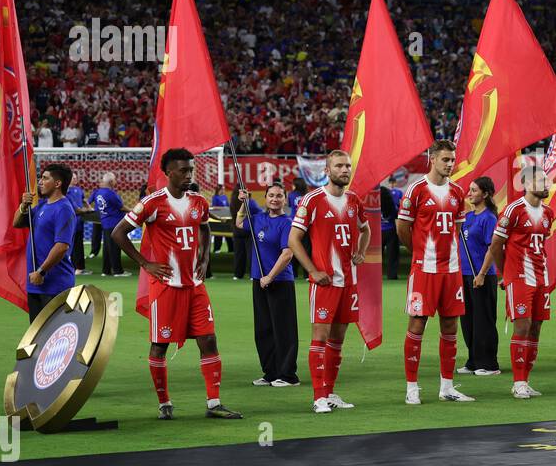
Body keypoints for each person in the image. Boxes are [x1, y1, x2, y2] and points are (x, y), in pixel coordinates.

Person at [112, 148, 244, 420]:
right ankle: (164, 403)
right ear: (168, 172)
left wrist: (205, 257)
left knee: (208, 340)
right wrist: (145, 263)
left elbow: (205, 227)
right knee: (160, 345)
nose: (188, 175)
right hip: (166, 286)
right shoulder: (152, 203)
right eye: (183, 170)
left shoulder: (198, 201)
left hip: (195, 286)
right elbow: (118, 233)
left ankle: (214, 403)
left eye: (191, 170)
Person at [287, 150, 371, 413]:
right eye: (339, 166)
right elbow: (293, 240)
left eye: (347, 166)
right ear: (327, 170)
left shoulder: (355, 200)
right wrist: (312, 271)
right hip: (324, 284)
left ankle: (331, 393)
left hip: (349, 282)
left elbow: (365, 229)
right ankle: (318, 397)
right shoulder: (312, 200)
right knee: (319, 338)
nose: (344, 170)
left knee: (338, 340)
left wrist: (360, 252)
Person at [396, 140, 473, 404]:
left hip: (451, 270)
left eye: (452, 160)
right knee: (417, 325)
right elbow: (401, 228)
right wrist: (419, 251)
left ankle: (447, 387)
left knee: (450, 325)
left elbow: (457, 229)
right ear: (432, 159)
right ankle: (411, 388)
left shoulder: (457, 192)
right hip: (424, 270)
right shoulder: (416, 190)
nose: (450, 164)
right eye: (445, 160)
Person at [475, 164, 554, 398]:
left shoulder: (548, 213)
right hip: (520, 276)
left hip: (542, 276)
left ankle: (526, 379)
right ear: (528, 184)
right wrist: (505, 273)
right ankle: (518, 382)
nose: (547, 185)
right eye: (542, 181)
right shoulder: (513, 210)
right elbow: (496, 245)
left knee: (537, 327)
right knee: (523, 325)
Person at [237, 183, 299, 389]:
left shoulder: (287, 223)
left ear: (285, 199)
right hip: (259, 281)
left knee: (284, 329)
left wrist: (270, 277)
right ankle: (271, 372)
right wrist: (242, 204)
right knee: (263, 329)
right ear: (265, 198)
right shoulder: (258, 219)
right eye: (271, 195)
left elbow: (288, 254)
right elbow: (239, 223)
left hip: (279, 282)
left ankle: (288, 375)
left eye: (279, 196)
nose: (274, 199)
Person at [11, 163, 78, 321]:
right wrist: (23, 206)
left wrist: (41, 271)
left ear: (57, 184)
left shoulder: (64, 209)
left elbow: (62, 246)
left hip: (55, 284)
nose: (40, 181)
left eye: (45, 178)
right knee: (38, 338)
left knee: (56, 339)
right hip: (36, 283)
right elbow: (17, 223)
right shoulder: (42, 206)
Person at [459, 175, 500, 376]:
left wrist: (482, 273)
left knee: (484, 320)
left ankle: (489, 363)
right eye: (470, 189)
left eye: (474, 190)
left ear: (485, 194)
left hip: (482, 275)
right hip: (465, 275)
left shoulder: (489, 218)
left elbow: (492, 248)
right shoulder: (467, 217)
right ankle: (473, 360)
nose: (470, 193)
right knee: (468, 320)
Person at [91, 172, 128, 276]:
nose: (116, 181)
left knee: (107, 248)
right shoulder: (111, 193)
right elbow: (121, 207)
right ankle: (118, 271)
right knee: (115, 247)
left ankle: (106, 270)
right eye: (115, 179)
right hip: (114, 223)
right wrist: (132, 210)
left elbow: (90, 201)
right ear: (111, 181)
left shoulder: (99, 192)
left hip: (105, 222)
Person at [380, 177, 402, 280]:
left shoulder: (375, 204)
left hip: (379, 230)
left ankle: (375, 274)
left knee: (377, 255)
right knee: (392, 254)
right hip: (390, 229)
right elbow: (397, 213)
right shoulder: (392, 204)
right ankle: (391, 275)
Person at [65, 178, 88, 274]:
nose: (75, 179)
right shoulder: (66, 192)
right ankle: (75, 268)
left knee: (78, 245)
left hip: (79, 222)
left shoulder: (79, 190)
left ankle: (79, 267)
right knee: (73, 245)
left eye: (75, 178)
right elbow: (76, 209)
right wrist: (85, 210)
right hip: (71, 222)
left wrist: (88, 206)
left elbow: (84, 200)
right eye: (73, 178)